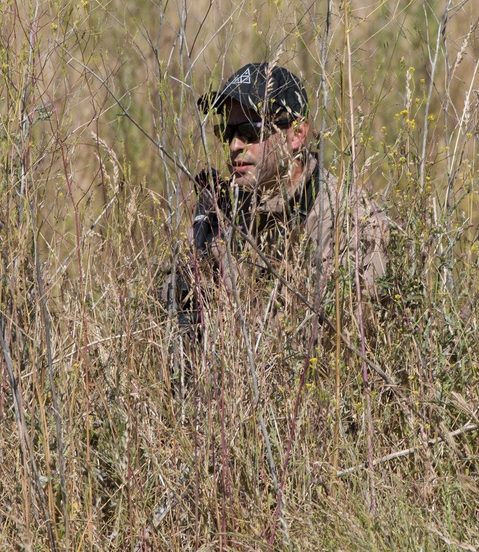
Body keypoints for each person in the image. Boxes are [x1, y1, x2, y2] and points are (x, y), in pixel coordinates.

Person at [165, 62, 389, 387]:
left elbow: (358, 357)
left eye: (250, 131)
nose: (234, 147)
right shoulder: (224, 211)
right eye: (227, 132)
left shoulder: (352, 222)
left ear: (297, 134)